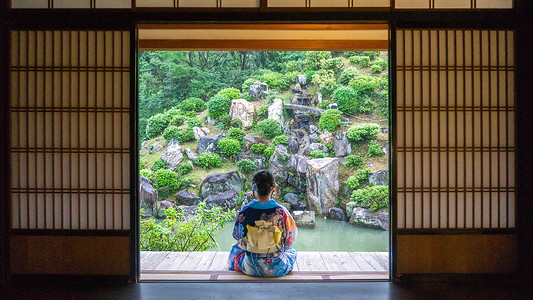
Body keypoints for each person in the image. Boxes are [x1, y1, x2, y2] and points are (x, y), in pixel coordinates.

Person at [227, 169, 298, 277]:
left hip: (251, 267)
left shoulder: (245, 211)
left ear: (254, 187)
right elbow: (289, 243)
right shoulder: (282, 212)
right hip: (277, 268)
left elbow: (238, 237)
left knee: (235, 249)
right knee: (292, 252)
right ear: (273, 186)